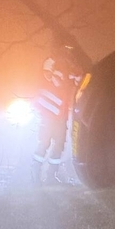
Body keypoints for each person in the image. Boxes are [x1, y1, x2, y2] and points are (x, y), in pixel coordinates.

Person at [31, 53, 81, 185]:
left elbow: (77, 77)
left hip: (60, 116)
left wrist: (74, 71)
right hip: (48, 115)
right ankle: (36, 173)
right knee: (44, 144)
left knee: (59, 145)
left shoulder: (65, 71)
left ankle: (51, 175)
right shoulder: (51, 65)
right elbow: (47, 77)